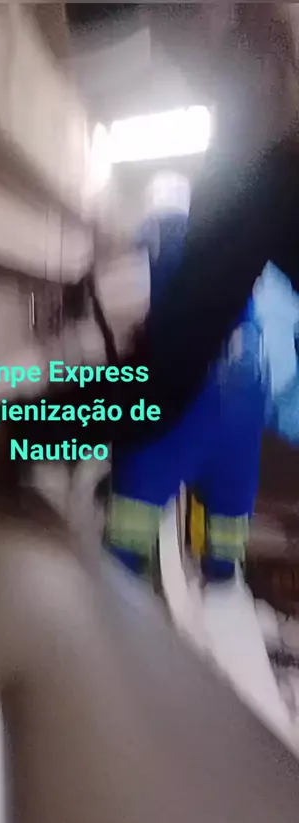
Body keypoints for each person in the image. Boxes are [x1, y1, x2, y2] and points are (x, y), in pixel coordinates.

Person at [105, 181, 267, 587]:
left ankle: (120, 586)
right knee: (229, 520)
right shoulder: (233, 252)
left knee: (131, 526)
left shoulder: (147, 250)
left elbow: (111, 326)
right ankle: (222, 580)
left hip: (180, 396)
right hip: (245, 392)